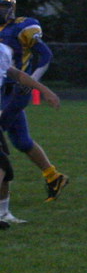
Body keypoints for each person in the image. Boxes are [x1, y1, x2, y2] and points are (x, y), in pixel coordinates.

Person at [0, 0, 69, 202]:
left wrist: (34, 83)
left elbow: (45, 54)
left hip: (14, 90)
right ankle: (53, 176)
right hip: (4, 89)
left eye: (3, 6)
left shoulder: (22, 26)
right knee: (21, 141)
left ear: (12, 8)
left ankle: (3, 204)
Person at [0, 39, 61, 229]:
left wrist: (44, 89)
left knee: (4, 168)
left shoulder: (2, 51)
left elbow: (14, 73)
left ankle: (3, 213)